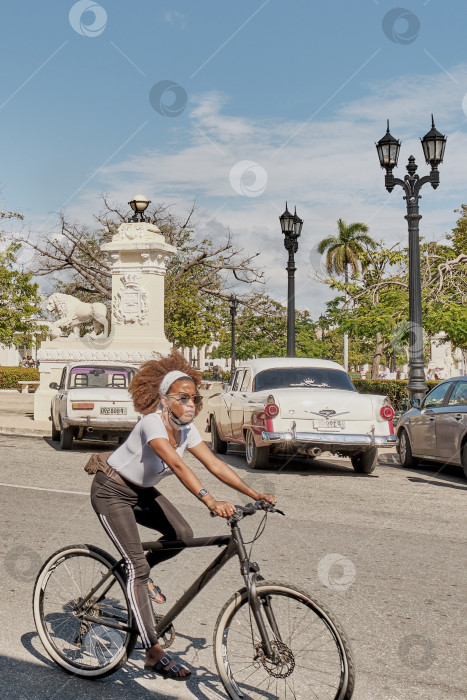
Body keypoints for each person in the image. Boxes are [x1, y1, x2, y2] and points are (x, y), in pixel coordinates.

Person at [90, 350, 275, 681]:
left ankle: (139, 577)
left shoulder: (187, 430)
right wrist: (210, 501)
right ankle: (152, 651)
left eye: (195, 398)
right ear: (164, 400)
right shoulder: (151, 424)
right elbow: (177, 464)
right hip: (111, 491)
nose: (191, 404)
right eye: (183, 398)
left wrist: (254, 494)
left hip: (141, 493)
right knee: (138, 566)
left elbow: (215, 464)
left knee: (182, 536)